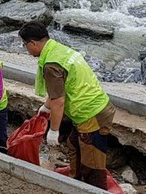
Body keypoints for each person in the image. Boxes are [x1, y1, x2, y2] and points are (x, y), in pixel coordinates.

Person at [19, 21, 115, 190]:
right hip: (93, 107)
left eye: (25, 45)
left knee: (92, 164)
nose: (26, 49)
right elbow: (61, 88)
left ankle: (96, 189)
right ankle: (75, 184)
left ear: (32, 43)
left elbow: (59, 101)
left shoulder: (51, 64)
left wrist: (54, 130)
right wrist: (46, 106)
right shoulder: (58, 50)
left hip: (91, 113)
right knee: (74, 143)